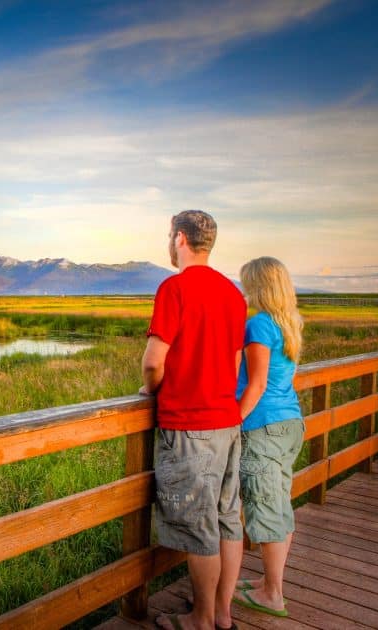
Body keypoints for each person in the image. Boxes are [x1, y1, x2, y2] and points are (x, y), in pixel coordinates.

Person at [141, 210, 247, 630]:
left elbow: (153, 362)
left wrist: (150, 390)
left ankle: (200, 619)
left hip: (189, 425)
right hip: (227, 422)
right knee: (226, 518)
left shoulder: (174, 288)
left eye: (170, 235)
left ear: (181, 239)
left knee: (199, 525)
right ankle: (222, 614)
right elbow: (234, 362)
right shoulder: (233, 294)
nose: (169, 242)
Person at [231, 257, 305, 618]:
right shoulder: (287, 321)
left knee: (265, 507)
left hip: (262, 427)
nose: (243, 289)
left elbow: (257, 383)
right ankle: (267, 584)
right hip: (289, 422)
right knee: (279, 503)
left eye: (246, 283)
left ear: (258, 285)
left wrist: (234, 420)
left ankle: (272, 594)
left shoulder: (259, 324)